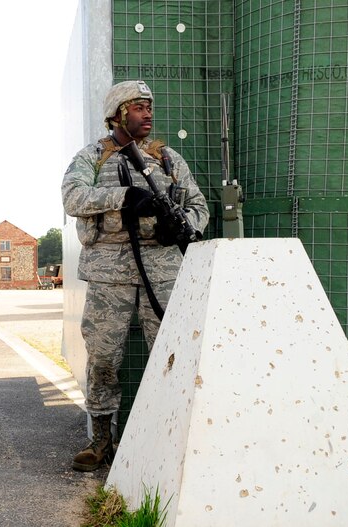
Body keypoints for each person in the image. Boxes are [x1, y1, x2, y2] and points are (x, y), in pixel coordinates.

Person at [61, 81, 209, 472]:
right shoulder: (92, 156)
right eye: (139, 107)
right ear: (119, 112)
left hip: (161, 270)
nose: (148, 114)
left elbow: (198, 206)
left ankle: (169, 438)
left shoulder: (167, 158)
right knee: (103, 358)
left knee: (170, 354)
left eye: (150, 107)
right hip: (109, 272)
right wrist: (123, 197)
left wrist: (179, 228)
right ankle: (100, 440)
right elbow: (73, 198)